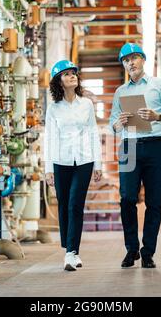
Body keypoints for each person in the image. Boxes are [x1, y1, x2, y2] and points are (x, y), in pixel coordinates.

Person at [109, 43, 161, 269]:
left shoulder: (158, 85)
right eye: (126, 60)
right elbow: (113, 125)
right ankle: (132, 250)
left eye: (134, 58)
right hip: (129, 146)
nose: (130, 63)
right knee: (127, 199)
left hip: (154, 147)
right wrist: (118, 123)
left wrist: (157, 115)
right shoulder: (120, 92)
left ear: (143, 59)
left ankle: (148, 251)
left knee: (153, 202)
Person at [44, 59, 102, 271]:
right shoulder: (53, 109)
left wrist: (98, 163)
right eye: (67, 74)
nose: (72, 76)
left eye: (74, 73)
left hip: (84, 160)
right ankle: (71, 249)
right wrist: (48, 169)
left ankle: (70, 252)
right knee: (64, 204)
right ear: (59, 81)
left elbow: (94, 133)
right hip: (60, 161)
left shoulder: (86, 104)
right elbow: (49, 138)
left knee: (75, 204)